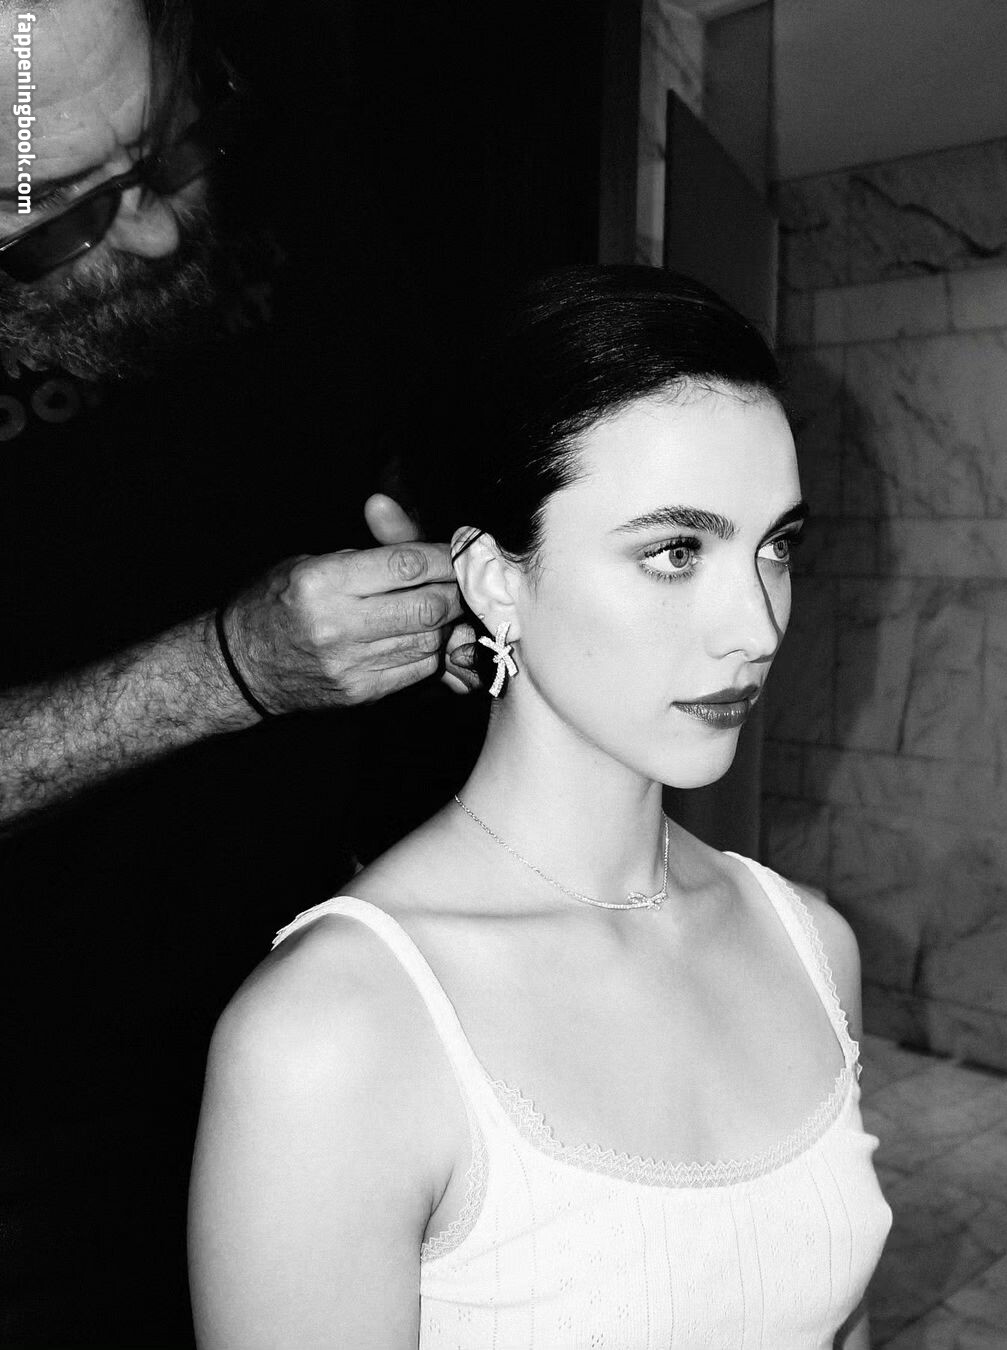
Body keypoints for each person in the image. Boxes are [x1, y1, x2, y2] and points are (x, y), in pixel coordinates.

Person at [189, 265, 893, 1349]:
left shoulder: (812, 947)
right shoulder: (332, 1035)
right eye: (674, 552)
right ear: (494, 579)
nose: (756, 626)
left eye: (777, 546)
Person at [0, 0, 478, 1343]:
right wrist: (228, 670)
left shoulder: (295, 123)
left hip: (330, 978)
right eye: (61, 217)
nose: (160, 230)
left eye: (167, 149)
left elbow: (397, 413)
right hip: (44, 1125)